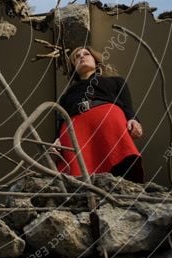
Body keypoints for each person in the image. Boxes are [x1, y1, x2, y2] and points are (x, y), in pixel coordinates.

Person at [51, 45, 144, 182]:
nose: (82, 56)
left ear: (96, 61)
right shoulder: (66, 95)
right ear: (74, 66)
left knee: (121, 163)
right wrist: (57, 139)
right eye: (77, 57)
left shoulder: (116, 81)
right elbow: (61, 119)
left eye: (86, 54)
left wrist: (134, 120)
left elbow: (127, 106)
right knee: (76, 171)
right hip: (75, 129)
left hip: (109, 121)